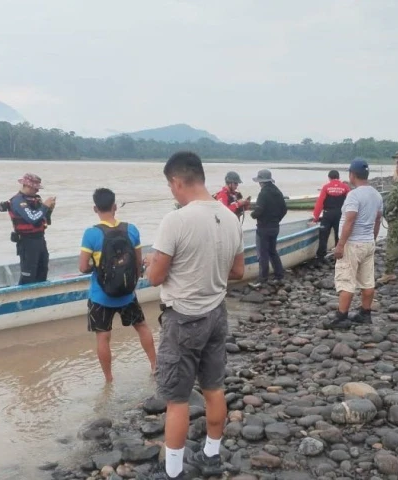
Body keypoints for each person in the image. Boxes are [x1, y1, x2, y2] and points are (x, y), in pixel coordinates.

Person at [144, 151, 245, 480]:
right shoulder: (230, 217)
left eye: (170, 186)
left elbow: (156, 277)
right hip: (217, 313)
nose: (172, 192)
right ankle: (211, 456)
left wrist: (150, 264)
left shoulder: (176, 220)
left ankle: (173, 472)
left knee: (176, 399)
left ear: (177, 181)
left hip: (183, 318)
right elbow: (239, 271)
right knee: (214, 387)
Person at [78, 188, 156, 383]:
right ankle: (155, 366)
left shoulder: (91, 234)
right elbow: (138, 264)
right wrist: (131, 283)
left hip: (100, 296)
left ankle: (109, 379)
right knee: (142, 327)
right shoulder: (131, 229)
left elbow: (82, 267)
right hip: (127, 294)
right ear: (114, 206)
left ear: (95, 208)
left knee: (103, 337)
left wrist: (96, 267)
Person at [325, 158, 383, 330]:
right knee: (367, 280)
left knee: (346, 279)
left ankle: (342, 316)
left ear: (352, 174)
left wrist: (340, 245)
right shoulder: (376, 194)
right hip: (367, 243)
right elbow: (378, 219)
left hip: (353, 244)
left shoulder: (354, 195)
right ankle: (365, 313)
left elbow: (349, 221)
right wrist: (372, 238)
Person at [3, 173, 55, 284]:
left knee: (42, 272)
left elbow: (44, 220)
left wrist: (49, 209)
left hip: (40, 240)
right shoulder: (18, 201)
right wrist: (45, 206)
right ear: (27, 186)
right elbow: (31, 218)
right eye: (35, 188)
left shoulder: (36, 199)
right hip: (27, 242)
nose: (37, 191)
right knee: (28, 276)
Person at [249, 169, 288, 287]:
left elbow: (259, 210)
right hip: (275, 227)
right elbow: (284, 209)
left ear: (262, 182)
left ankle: (262, 279)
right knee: (273, 251)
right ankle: (279, 275)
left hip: (263, 228)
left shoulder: (263, 193)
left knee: (263, 253)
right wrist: (277, 220)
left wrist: (252, 214)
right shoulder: (277, 191)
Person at [311, 169, 350, 265]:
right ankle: (339, 257)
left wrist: (315, 218)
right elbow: (350, 202)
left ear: (329, 178)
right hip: (340, 215)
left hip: (327, 214)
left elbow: (319, 203)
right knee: (339, 236)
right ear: (339, 178)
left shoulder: (326, 187)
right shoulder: (345, 187)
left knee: (323, 236)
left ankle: (320, 257)